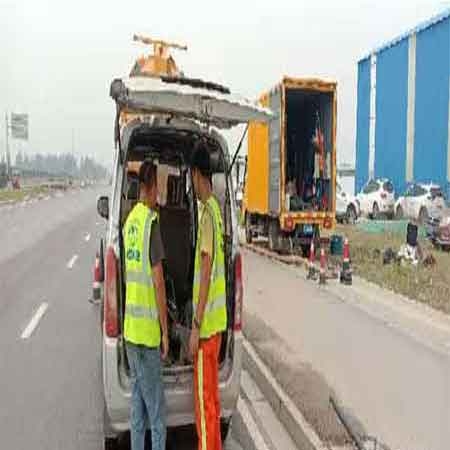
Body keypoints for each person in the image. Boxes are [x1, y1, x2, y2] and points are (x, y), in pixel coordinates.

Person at [123, 160, 168, 450]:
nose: (159, 196)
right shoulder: (151, 223)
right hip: (149, 334)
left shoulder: (129, 222)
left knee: (137, 407)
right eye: (158, 189)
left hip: (130, 332)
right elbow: (158, 282)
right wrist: (165, 332)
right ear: (150, 187)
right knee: (157, 413)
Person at [189, 143, 227, 450]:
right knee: (212, 401)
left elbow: (204, 273)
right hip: (218, 326)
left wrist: (194, 325)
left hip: (205, 329)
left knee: (203, 404)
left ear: (195, 174)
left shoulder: (205, 217)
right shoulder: (216, 210)